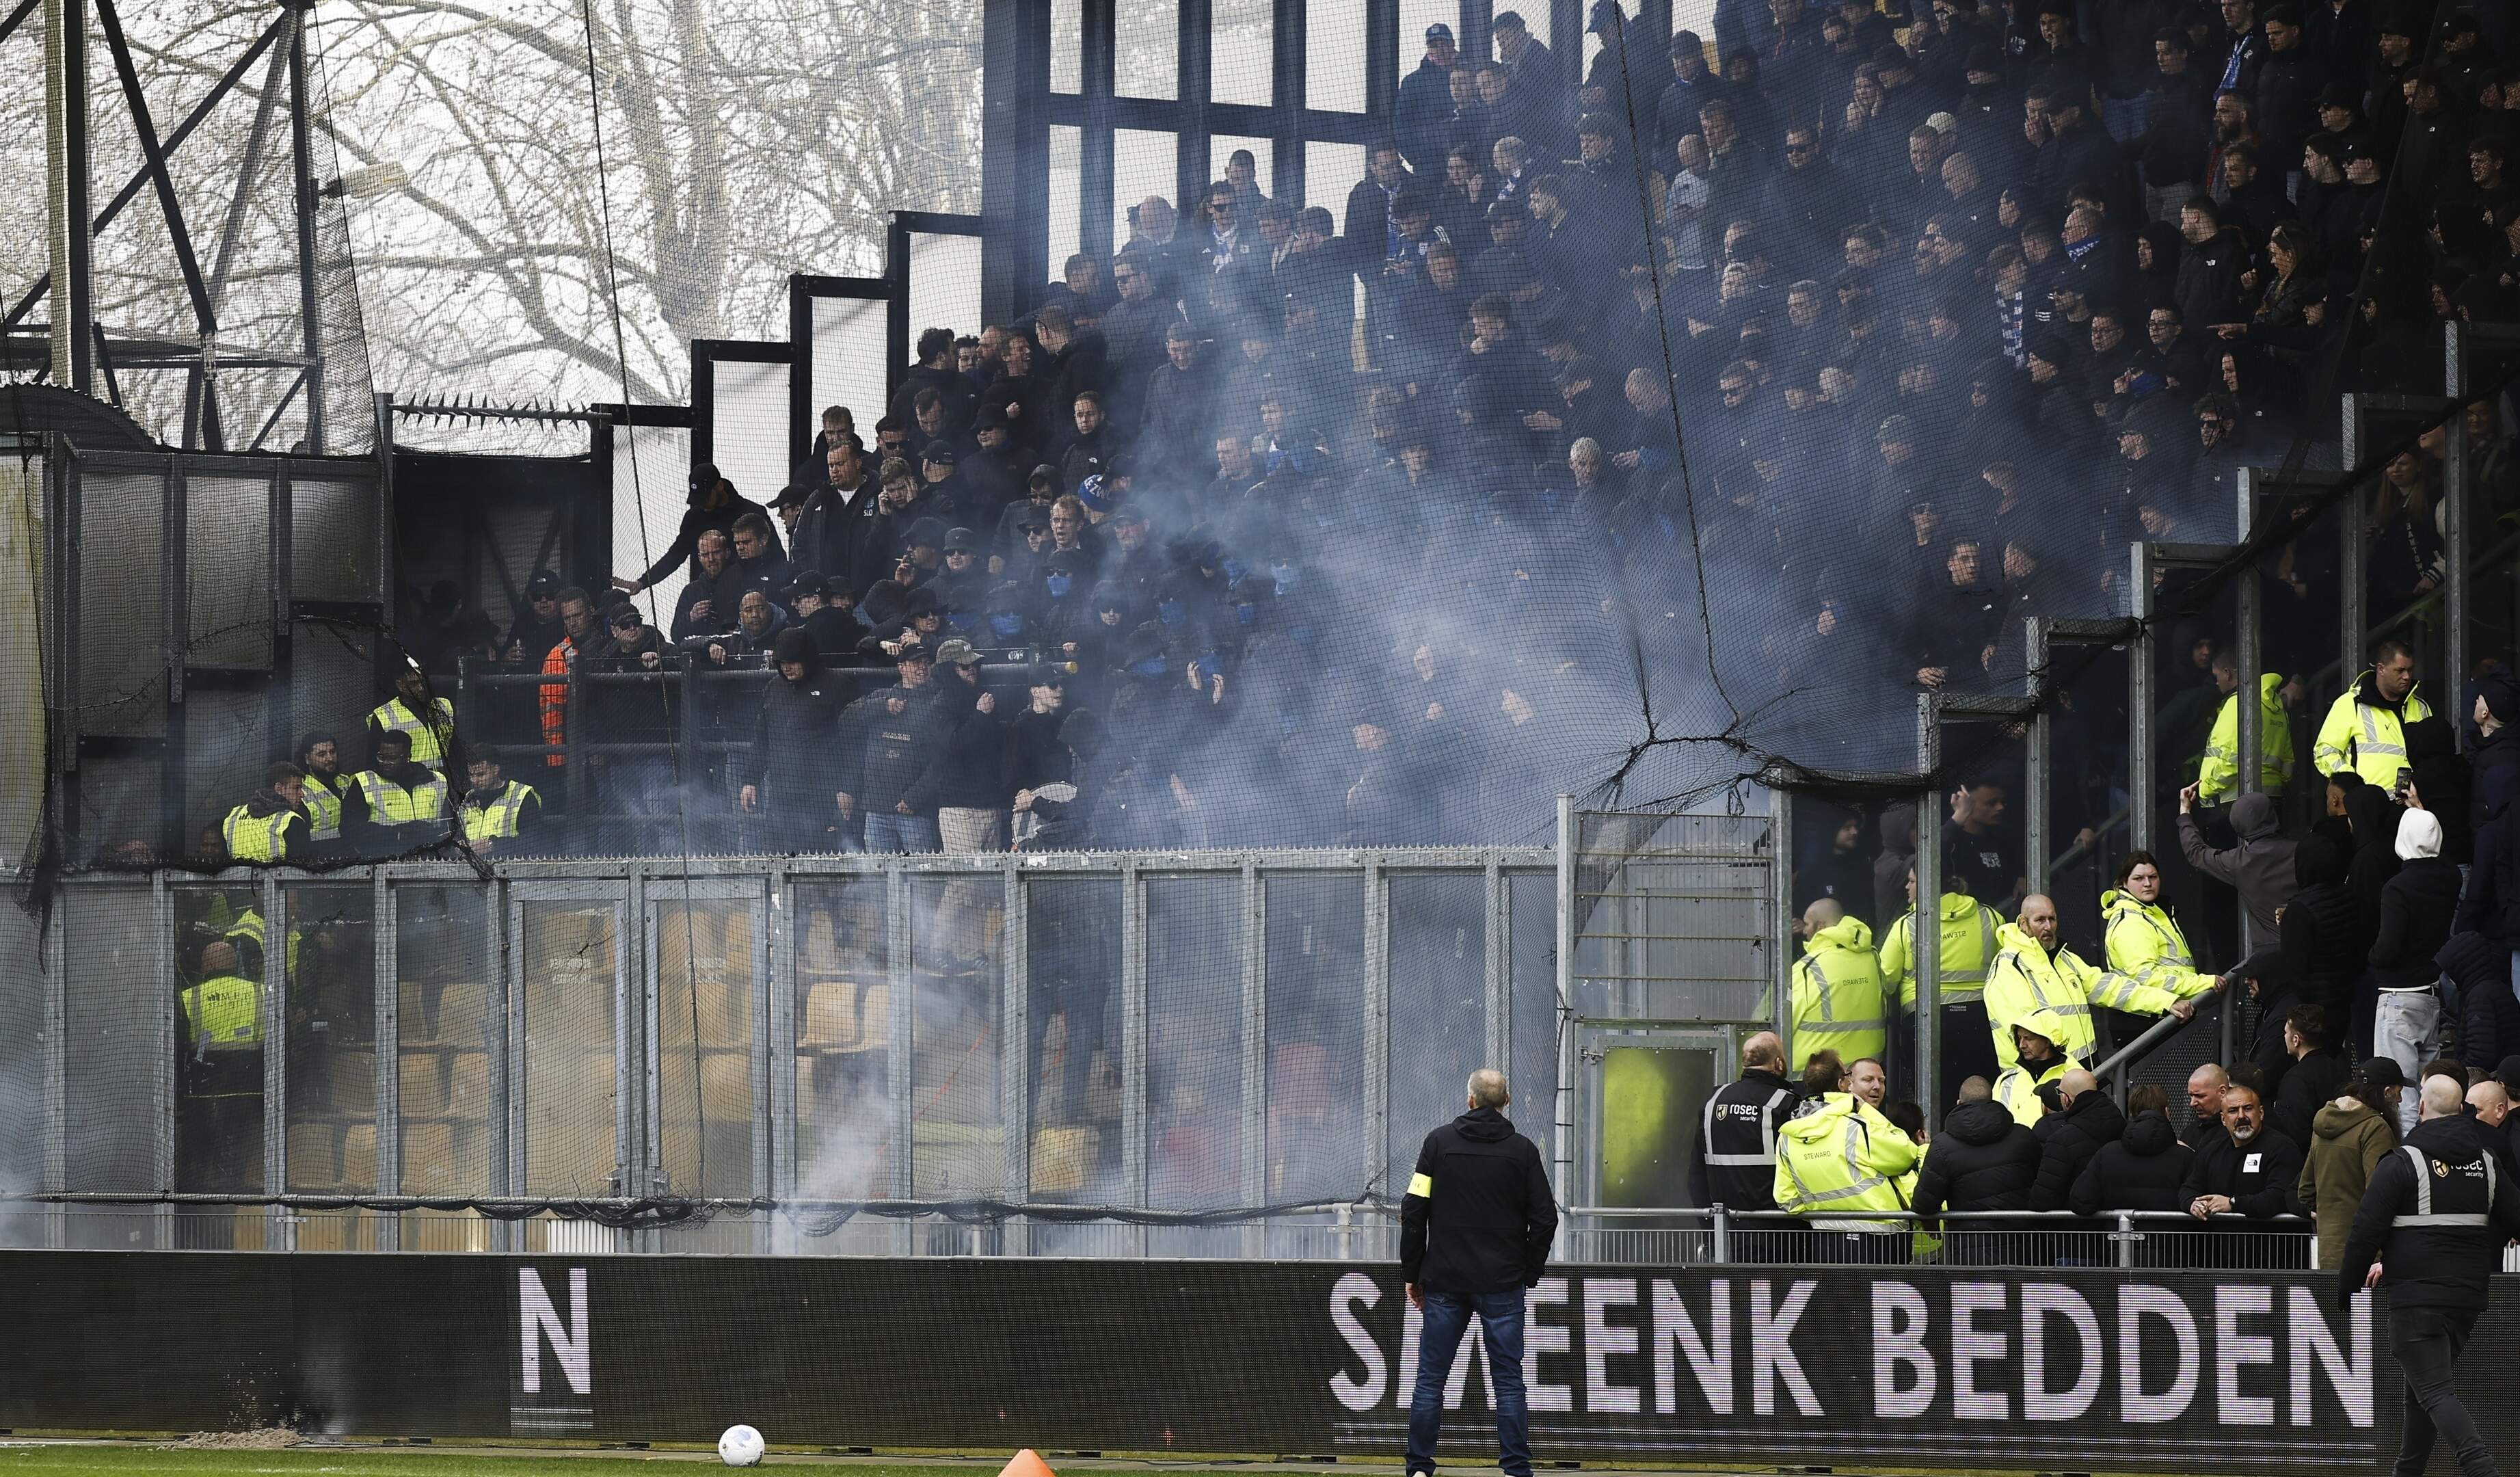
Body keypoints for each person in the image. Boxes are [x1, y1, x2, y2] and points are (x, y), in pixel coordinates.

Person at [2335, 1074, 2520, 1477]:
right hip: (2467, 1297)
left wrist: (2345, 1292)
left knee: (2434, 1391)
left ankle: (2481, 1468)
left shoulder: (2403, 1162)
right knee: (2422, 1392)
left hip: (2416, 1298)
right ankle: (2409, 1471)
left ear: (2421, 1109)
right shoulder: (2487, 1163)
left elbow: (2366, 1232)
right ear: (2461, 1110)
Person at [1399, 1067, 1554, 1477]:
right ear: (1505, 1103)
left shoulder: (1437, 1143)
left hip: (1445, 1281)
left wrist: (1413, 1272)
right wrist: (1528, 1271)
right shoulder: (1522, 1152)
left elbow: (1414, 1211)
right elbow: (1545, 1219)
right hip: (1502, 1284)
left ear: (1469, 1100)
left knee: (1431, 1379)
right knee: (1508, 1381)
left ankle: (1418, 1467)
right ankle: (1517, 1468)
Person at [1985, 893, 2195, 1072]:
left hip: (2084, 1073)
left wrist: (2165, 1001)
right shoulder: (2009, 967)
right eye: (2040, 920)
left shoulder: (2063, 959)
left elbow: (2111, 988)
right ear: (2023, 923)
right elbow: (2025, 1035)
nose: (2048, 927)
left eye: (2053, 919)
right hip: (2044, 1081)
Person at [1774, 1051, 1920, 1262]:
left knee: (1838, 1296)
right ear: (1843, 1084)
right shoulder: (1857, 1126)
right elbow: (1906, 1154)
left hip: (1825, 1241)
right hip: (1880, 1241)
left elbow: (1787, 1200)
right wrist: (1864, 1110)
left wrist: (1822, 1210)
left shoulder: (1787, 1137)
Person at [1876, 864, 2003, 1099]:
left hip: (1927, 1021)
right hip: (1980, 1019)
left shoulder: (1908, 925)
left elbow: (1886, 980)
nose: (1907, 886)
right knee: (1982, 1091)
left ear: (1926, 886)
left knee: (1934, 1095)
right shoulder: (1990, 917)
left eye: (1912, 881)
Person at [2372, 808, 2462, 1132]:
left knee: (2399, 1096)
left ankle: (2410, 1164)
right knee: (2431, 1092)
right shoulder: (2449, 876)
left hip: (2398, 995)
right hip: (2431, 993)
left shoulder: (2397, 888)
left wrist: (2371, 956)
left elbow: (2388, 948)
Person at [738, 629, 850, 853]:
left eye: (792, 661)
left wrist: (846, 787)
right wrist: (751, 781)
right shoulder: (773, 688)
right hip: (780, 794)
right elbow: (762, 738)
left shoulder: (838, 685)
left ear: (807, 658)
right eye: (781, 662)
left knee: (820, 864)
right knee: (777, 858)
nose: (787, 667)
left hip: (822, 796)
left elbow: (852, 743)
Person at [1910, 1075, 2039, 1261]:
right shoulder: (2024, 1136)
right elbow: (2043, 1184)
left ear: (1959, 1103)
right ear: (1992, 1102)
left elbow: (1924, 1203)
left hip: (1968, 1251)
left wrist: (1931, 1227)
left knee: (1975, 1292)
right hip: (2024, 1249)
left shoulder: (1942, 1145)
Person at [2296, 1059, 2402, 1272]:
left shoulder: (2322, 1123)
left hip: (2328, 1254)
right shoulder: (2375, 1128)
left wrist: (2331, 1213)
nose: (2400, 1100)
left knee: (2335, 1307)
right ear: (2387, 1092)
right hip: (2369, 1257)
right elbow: (2381, 1193)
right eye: (2399, 1092)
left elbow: (2306, 1190)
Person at [178, 940, 264, 1191]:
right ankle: (233, 1189)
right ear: (235, 963)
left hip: (203, 1088)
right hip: (248, 1086)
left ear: (209, 964)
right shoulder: (258, 992)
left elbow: (180, 1042)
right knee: (238, 1147)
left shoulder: (190, 996)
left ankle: (199, 1193)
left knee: (200, 1150)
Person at [1690, 1030, 1796, 1214]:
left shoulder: (1713, 1101)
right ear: (1779, 1063)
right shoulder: (1785, 1103)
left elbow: (1696, 1174)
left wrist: (1709, 1227)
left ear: (1745, 1063)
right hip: (1777, 1228)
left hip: (1725, 1227)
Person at [2071, 1085, 2201, 1234]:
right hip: (2171, 1248)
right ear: (2166, 1112)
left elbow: (2081, 1201)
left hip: (2118, 1246)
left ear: (2132, 1114)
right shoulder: (2185, 1156)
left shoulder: (2107, 1153)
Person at [2175, 786, 2299, 942]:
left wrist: (2185, 812)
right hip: (2313, 946)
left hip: (2271, 954)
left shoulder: (2239, 862)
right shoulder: (2303, 851)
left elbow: (2197, 854)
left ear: (2237, 825)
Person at [2312, 639, 2432, 789]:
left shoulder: (2420, 707)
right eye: (2400, 670)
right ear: (2381, 669)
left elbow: (2432, 758)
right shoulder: (2351, 703)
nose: (2407, 676)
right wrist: (2353, 785)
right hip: (2369, 807)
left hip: (2412, 804)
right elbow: (2325, 752)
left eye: (2410, 670)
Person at [2182, 1078, 2304, 1225]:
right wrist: (2193, 1204)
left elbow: (2279, 1196)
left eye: (2248, 1108)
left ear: (2261, 1113)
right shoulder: (2211, 1150)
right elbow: (2188, 1189)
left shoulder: (2282, 1148)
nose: (2241, 1116)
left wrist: (2233, 1203)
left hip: (2269, 1244)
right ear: (2223, 1119)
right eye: (2233, 1111)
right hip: (2220, 1244)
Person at [1787, 898, 1889, 1069]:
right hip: (1864, 1073)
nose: (1804, 931)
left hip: (1817, 1075)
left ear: (1820, 926)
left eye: (1807, 924)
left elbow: (1784, 1021)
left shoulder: (1806, 969)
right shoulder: (1873, 958)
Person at [2195, 652, 2294, 803]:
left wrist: (2206, 789)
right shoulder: (2276, 707)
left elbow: (2232, 755)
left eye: (2217, 676)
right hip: (2274, 795)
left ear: (2227, 673)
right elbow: (2287, 758)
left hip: (2238, 797)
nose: (2217, 683)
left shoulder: (2237, 704)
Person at [2028, 1067, 2127, 1210]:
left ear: (2065, 1098)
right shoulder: (2123, 1126)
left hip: (2073, 1225)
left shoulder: (2061, 1140)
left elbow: (2043, 1199)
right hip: (2118, 1223)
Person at [340, 729, 450, 857]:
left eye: (393, 758)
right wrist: (397, 833)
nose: (386, 763)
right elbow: (349, 828)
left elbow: (449, 823)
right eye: (382, 757)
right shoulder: (365, 783)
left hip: (431, 860)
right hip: (384, 861)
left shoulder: (437, 781)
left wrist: (431, 833)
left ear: (408, 757)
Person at [2266, 1002, 2349, 1149]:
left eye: (2286, 1032)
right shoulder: (2339, 1068)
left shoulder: (2295, 1078)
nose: (2284, 1037)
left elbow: (2294, 1131)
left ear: (2296, 1040)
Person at [366, 661, 456, 774]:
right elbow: (374, 761)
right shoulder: (384, 714)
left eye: (423, 682)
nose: (421, 688)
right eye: (414, 684)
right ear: (400, 685)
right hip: (409, 782)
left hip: (443, 781)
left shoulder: (444, 706)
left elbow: (455, 747)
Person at [1990, 1009, 2075, 1128]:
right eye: (2019, 1038)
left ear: (2047, 1041)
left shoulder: (2074, 1077)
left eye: (2028, 1038)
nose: (2022, 1045)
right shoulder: (2006, 1079)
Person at [453, 745, 541, 855]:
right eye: (471, 775)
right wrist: (457, 846)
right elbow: (455, 833)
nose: (474, 780)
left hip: (508, 866)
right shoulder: (468, 799)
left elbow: (533, 839)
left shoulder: (522, 795)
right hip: (468, 867)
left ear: (496, 770)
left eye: (480, 775)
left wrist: (493, 845)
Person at [222, 762, 309, 863]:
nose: (302, 794)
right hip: (277, 878)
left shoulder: (234, 815)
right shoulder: (292, 821)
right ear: (279, 789)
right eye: (296, 788)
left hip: (236, 877)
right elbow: (300, 871)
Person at [297, 733, 346, 852]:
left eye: (332, 752)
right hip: (319, 856)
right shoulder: (301, 791)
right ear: (307, 759)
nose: (330, 758)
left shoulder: (347, 781)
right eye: (322, 754)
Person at [2183, 1062, 2232, 1149]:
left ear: (2222, 1092)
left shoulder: (2236, 1130)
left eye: (2200, 1096)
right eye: (2191, 1096)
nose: (2192, 1103)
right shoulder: (2190, 1132)